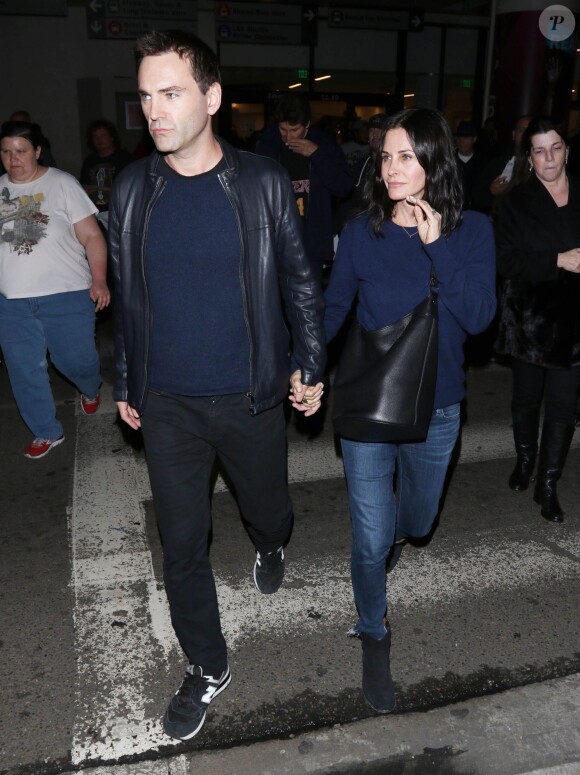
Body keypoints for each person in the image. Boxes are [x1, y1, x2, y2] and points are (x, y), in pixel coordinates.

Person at [108, 30, 326, 742]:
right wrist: (127, 378)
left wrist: (310, 362)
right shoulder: (132, 186)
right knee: (181, 543)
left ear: (212, 97)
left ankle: (270, 541)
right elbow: (127, 293)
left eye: (170, 93)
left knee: (267, 506)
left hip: (250, 393)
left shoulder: (261, 181)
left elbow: (298, 279)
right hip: (167, 400)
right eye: (145, 96)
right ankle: (207, 663)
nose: (154, 110)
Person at [291, 108, 496, 714]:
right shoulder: (362, 231)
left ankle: (398, 535)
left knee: (420, 519)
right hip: (371, 403)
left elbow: (480, 317)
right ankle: (373, 628)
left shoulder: (475, 231)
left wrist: (439, 249)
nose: (391, 168)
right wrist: (307, 366)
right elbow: (332, 309)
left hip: (437, 408)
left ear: (434, 161)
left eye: (406, 156)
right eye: (386, 156)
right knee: (372, 536)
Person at [0, 121, 109, 458]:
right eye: (5, 152)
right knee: (23, 369)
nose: (13, 159)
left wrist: (100, 279)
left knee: (75, 360)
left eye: (20, 151)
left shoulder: (62, 183)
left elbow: (92, 236)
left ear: (36, 151)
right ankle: (46, 430)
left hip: (67, 293)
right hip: (12, 302)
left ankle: (90, 387)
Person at [495, 116, 580, 523]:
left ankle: (547, 483)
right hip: (530, 320)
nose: (549, 157)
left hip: (576, 322)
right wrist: (556, 260)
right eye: (540, 150)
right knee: (527, 399)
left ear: (567, 149)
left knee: (563, 406)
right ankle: (525, 461)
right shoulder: (515, 201)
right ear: (529, 158)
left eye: (556, 147)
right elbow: (505, 260)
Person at [255, 93, 353, 279]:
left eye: (294, 130)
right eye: (283, 129)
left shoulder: (324, 145)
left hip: (310, 245)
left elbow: (344, 186)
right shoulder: (268, 145)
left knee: (307, 305)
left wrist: (316, 154)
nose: (288, 136)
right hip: (274, 243)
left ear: (307, 124)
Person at [473, 115, 531, 217]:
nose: (526, 135)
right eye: (522, 130)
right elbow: (478, 198)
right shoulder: (499, 163)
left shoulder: (545, 165)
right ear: (514, 134)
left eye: (530, 131)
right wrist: (491, 191)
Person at [80, 119, 134, 212]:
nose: (99, 140)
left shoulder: (125, 158)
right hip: (95, 211)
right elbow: (83, 185)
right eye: (95, 136)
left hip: (119, 210)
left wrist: (106, 189)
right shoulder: (90, 160)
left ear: (111, 137)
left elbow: (132, 188)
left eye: (103, 135)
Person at [454, 119, 489, 209]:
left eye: (466, 138)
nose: (462, 141)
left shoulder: (483, 163)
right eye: (459, 137)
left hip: (476, 212)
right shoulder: (450, 161)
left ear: (474, 139)